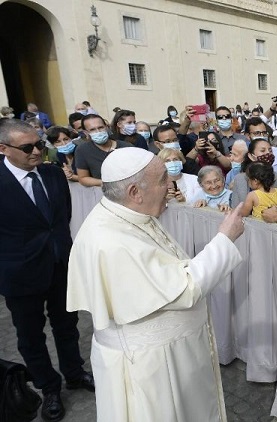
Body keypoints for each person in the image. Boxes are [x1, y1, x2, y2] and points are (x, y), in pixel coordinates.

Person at [67, 147, 246, 421]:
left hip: (169, 354)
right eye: (163, 180)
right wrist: (224, 238)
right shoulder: (112, 240)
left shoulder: (127, 215)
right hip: (152, 367)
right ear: (135, 193)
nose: (170, 186)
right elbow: (184, 289)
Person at [0, 119, 94, 421]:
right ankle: (49, 387)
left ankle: (75, 373)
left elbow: (60, 219)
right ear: (4, 149)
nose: (38, 151)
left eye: (40, 144)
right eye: (28, 147)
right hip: (20, 275)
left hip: (60, 266)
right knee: (31, 336)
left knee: (67, 326)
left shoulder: (53, 174)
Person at [75, 114, 135, 186]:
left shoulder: (126, 146)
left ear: (106, 127)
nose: (98, 132)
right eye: (92, 129)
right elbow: (83, 178)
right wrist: (107, 183)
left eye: (100, 127)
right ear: (86, 132)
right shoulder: (83, 150)